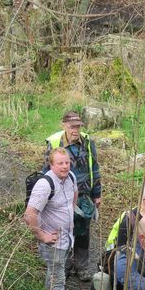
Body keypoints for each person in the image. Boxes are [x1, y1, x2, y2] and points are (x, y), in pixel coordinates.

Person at [25, 148, 80, 290]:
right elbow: (30, 214)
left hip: (66, 238)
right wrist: (42, 235)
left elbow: (74, 196)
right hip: (53, 242)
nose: (65, 166)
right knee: (58, 278)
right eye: (60, 163)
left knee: (54, 274)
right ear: (51, 165)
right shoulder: (44, 184)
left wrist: (69, 215)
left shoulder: (71, 177)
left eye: (67, 162)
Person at [43, 111, 101, 281]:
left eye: (78, 126)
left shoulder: (88, 143)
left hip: (84, 195)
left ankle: (81, 267)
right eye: (72, 127)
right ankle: (66, 266)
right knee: (64, 230)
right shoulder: (54, 143)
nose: (75, 130)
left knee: (83, 232)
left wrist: (97, 194)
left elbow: (95, 169)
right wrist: (48, 195)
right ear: (64, 126)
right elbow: (46, 171)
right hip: (61, 195)